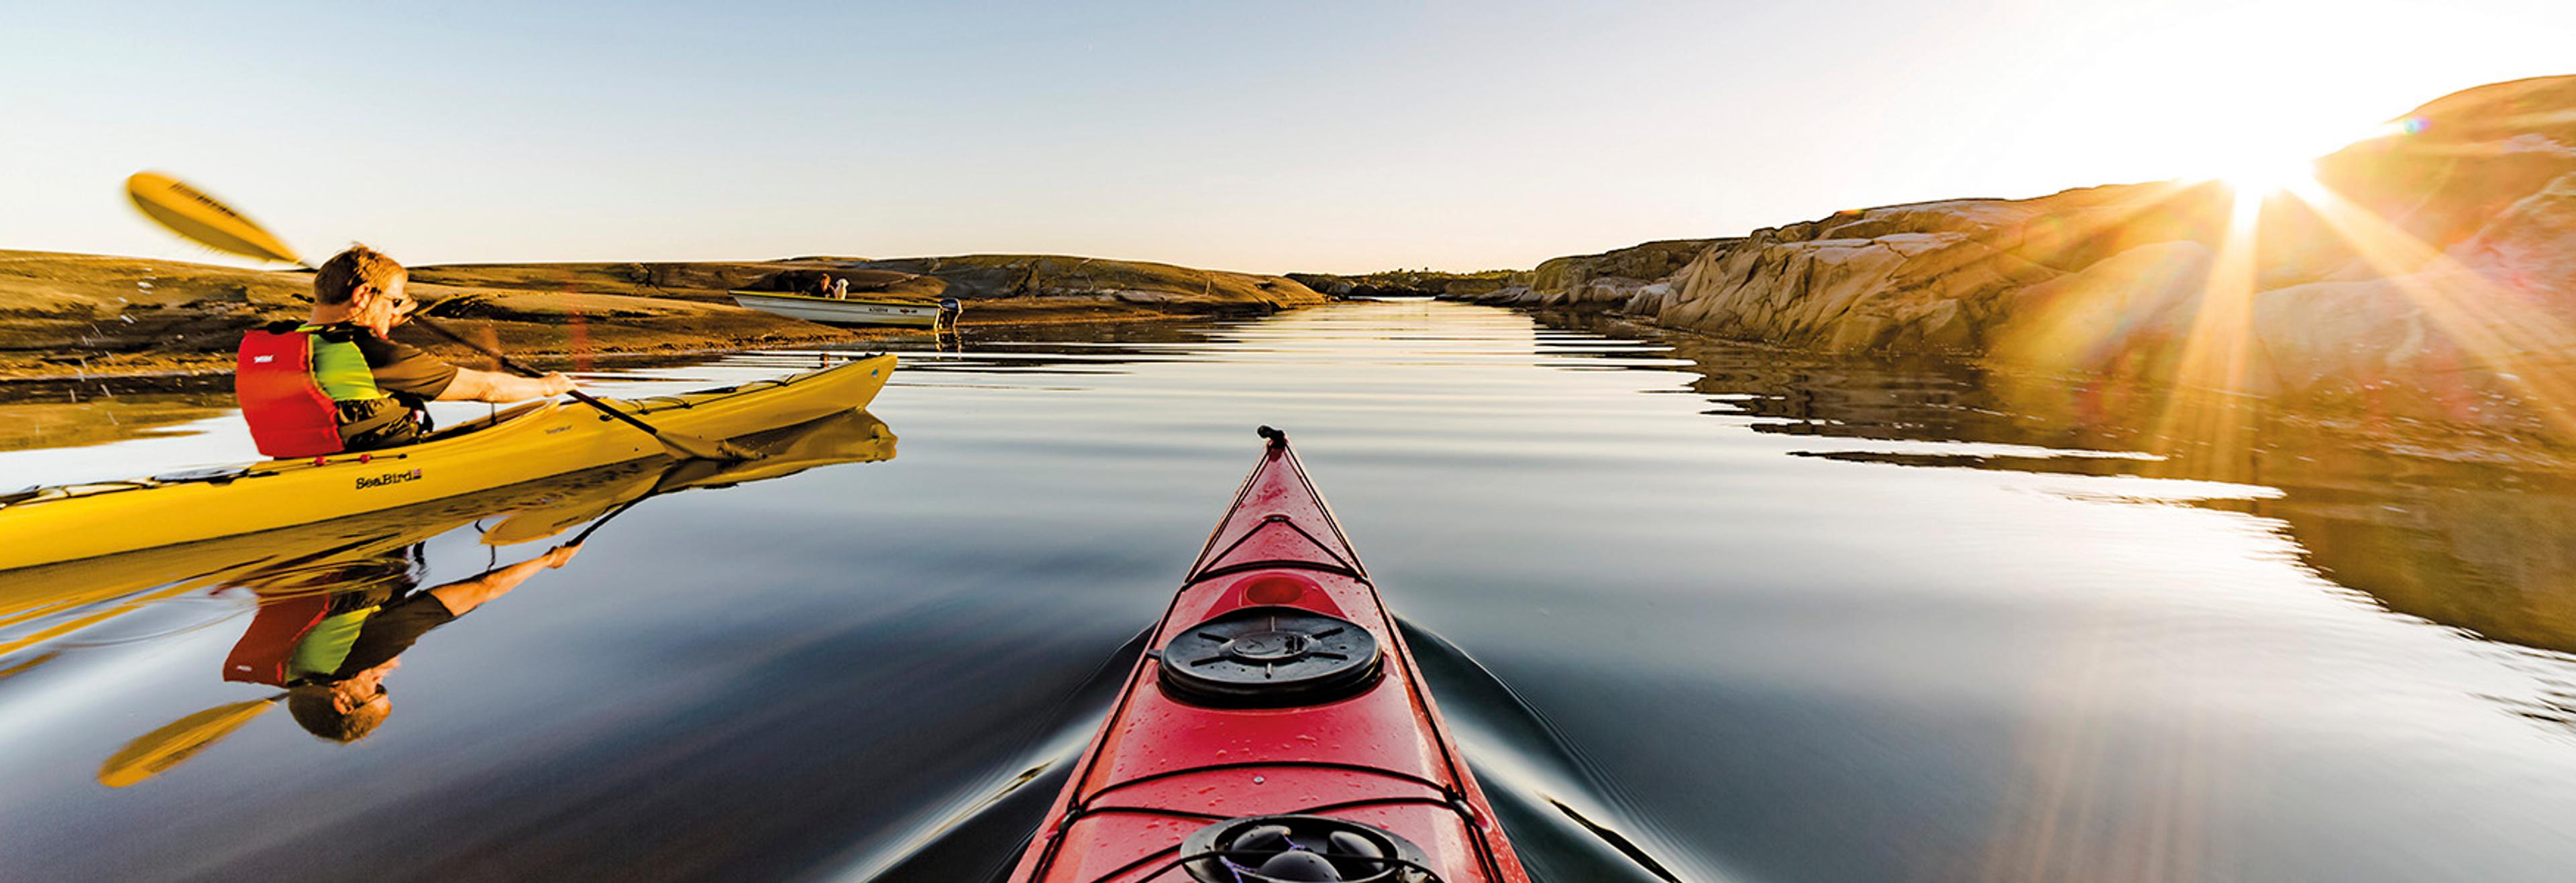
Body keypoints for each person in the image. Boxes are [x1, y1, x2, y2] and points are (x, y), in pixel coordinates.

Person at [221, 544, 584, 742]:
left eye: (377, 689)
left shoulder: (355, 659)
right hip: (337, 557)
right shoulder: (295, 673)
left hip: (371, 546)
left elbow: (481, 589)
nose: (387, 673)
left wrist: (550, 560)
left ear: (343, 700)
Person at [234, 245, 576, 455]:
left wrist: (385, 315)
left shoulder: (291, 342)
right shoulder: (374, 354)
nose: (398, 309)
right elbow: (487, 388)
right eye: (395, 300)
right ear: (363, 296)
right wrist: (549, 386)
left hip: (308, 460)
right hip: (381, 470)